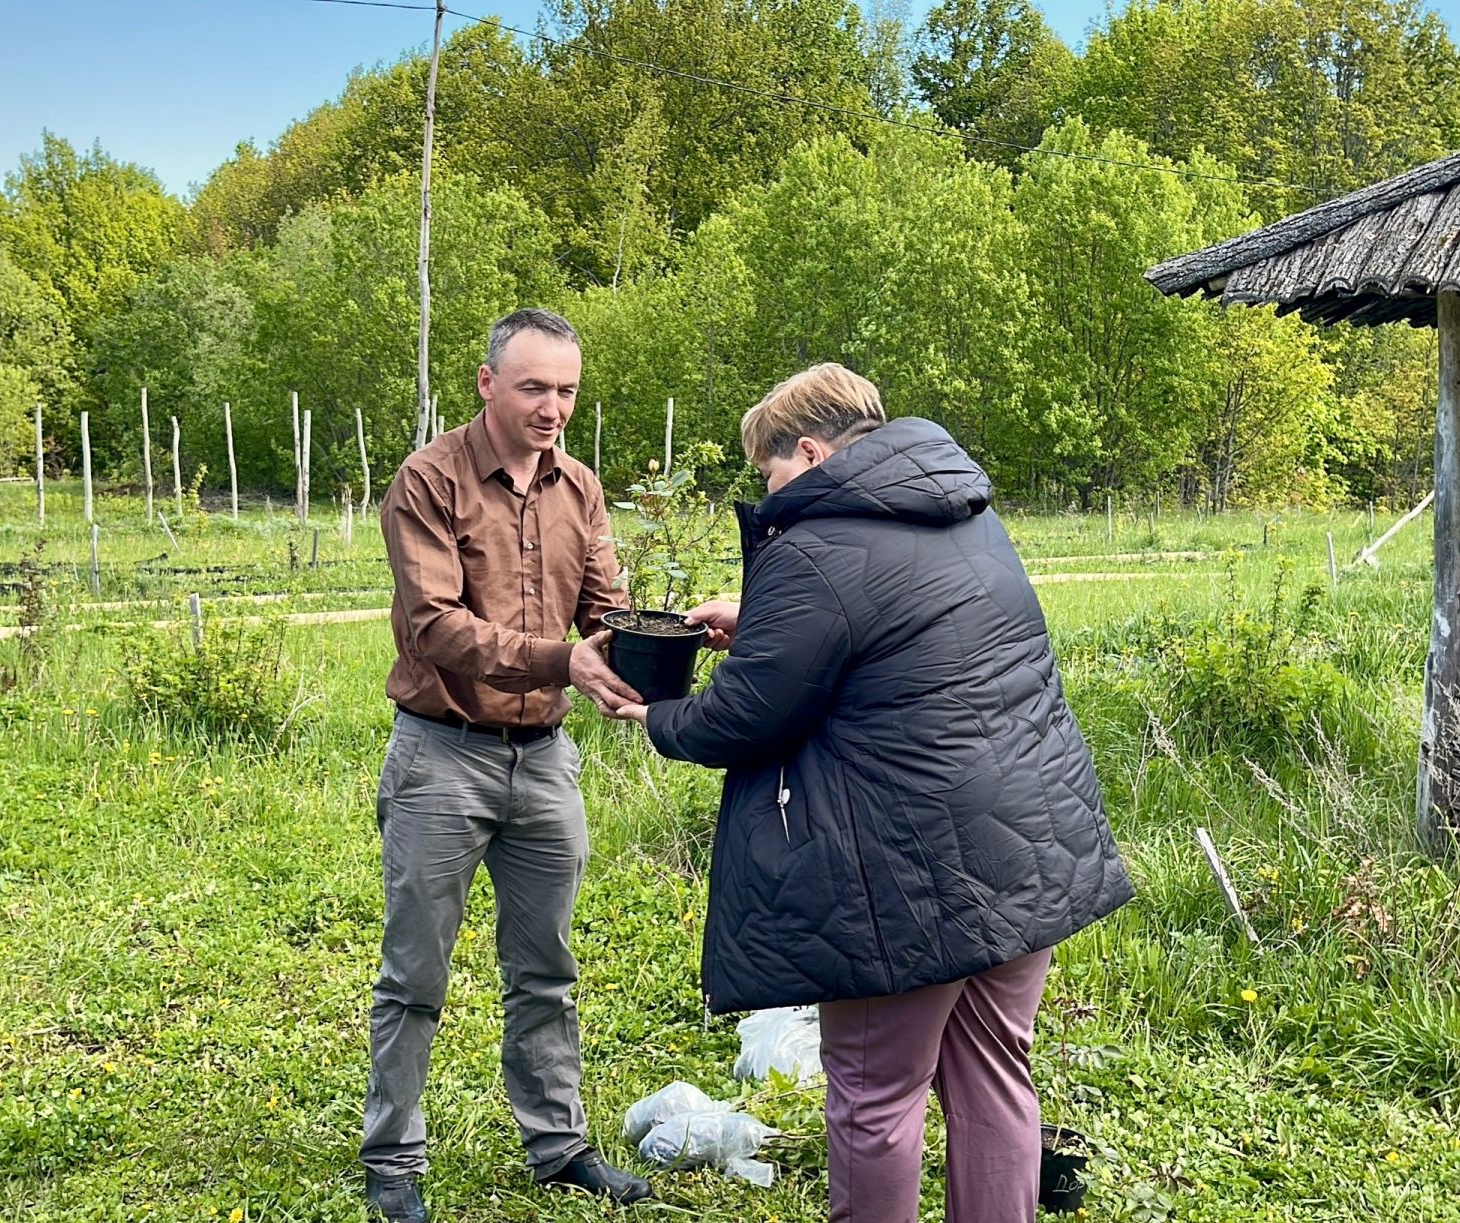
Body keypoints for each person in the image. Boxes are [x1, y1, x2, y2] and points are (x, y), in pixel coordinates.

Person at [611, 362, 1135, 1222]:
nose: (768, 492)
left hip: (906, 876)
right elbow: (884, 624)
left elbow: (745, 714)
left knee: (874, 1094)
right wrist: (764, 617)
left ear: (810, 452)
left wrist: (658, 713)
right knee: (995, 1072)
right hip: (1028, 845)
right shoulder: (966, 513)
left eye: (769, 472)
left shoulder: (814, 547)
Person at [362, 308, 653, 1221]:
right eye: (533, 387)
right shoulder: (429, 479)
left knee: (547, 968)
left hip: (545, 760)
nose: (552, 407)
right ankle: (393, 1159)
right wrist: (565, 660)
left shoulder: (581, 487)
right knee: (415, 973)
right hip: (442, 755)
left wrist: (659, 646)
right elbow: (435, 627)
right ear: (487, 383)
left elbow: (606, 608)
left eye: (566, 390)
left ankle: (558, 1144)